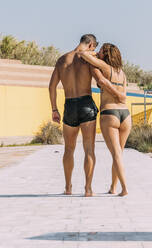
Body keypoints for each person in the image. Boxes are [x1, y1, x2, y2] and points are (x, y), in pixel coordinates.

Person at [48, 34, 125, 197]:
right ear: (90, 45)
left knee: (68, 149)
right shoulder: (88, 60)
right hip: (86, 104)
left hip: (69, 105)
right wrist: (118, 94)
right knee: (89, 149)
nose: (95, 51)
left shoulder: (62, 60)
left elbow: (52, 86)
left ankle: (68, 187)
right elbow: (99, 79)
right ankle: (88, 189)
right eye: (95, 48)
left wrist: (54, 109)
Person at [78, 43, 131, 196]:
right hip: (125, 115)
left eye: (100, 51)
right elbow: (124, 96)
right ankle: (114, 188)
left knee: (116, 154)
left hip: (110, 113)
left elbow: (82, 54)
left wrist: (92, 54)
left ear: (106, 54)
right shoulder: (122, 73)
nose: (98, 52)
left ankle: (125, 188)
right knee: (119, 153)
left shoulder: (105, 68)